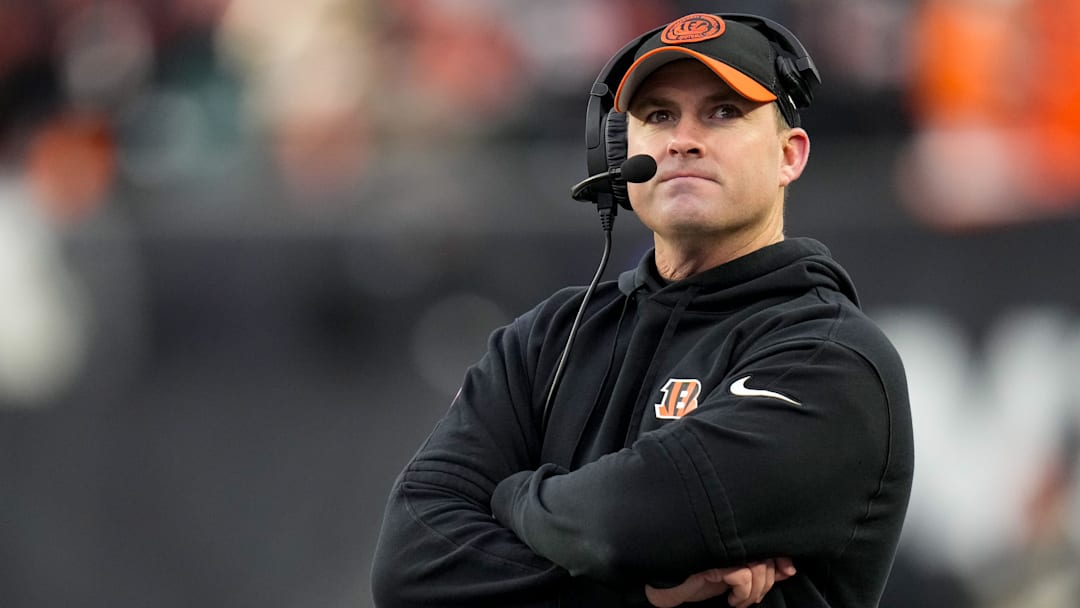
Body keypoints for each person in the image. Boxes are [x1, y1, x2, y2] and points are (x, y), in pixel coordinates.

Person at [371, 12, 914, 608]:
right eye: (658, 116)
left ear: (790, 155)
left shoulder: (830, 357)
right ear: (618, 154)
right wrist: (648, 594)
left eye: (723, 112)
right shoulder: (545, 340)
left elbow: (621, 523)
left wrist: (514, 495)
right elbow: (411, 566)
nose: (683, 138)